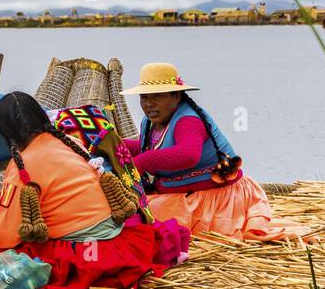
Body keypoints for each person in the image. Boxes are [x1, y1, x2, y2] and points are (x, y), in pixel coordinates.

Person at [0, 92, 189, 289]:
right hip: (114, 240)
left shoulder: (21, 165)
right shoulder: (70, 142)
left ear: (7, 131)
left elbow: (5, 233)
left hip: (83, 252)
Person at [121, 62, 313, 241]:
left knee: (145, 217)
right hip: (189, 193)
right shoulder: (151, 122)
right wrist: (112, 143)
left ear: (176, 96)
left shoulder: (188, 120)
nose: (149, 104)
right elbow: (147, 146)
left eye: (158, 96)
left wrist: (144, 161)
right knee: (138, 212)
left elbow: (189, 155)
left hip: (219, 197)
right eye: (144, 97)